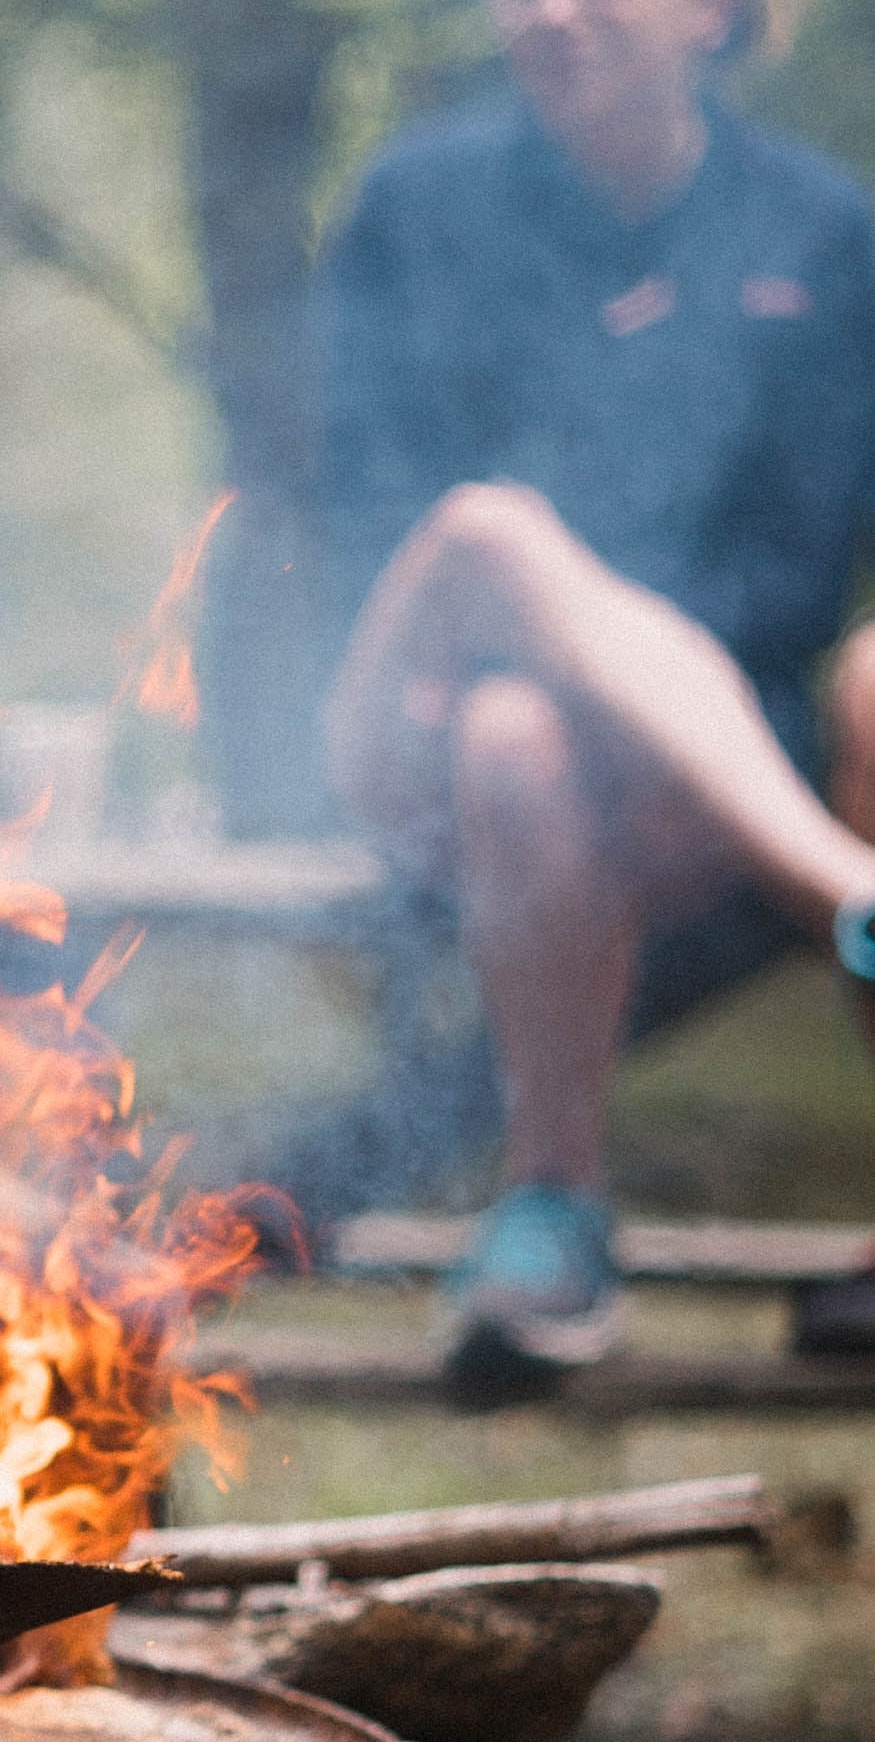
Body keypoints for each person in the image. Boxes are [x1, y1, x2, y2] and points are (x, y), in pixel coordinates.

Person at [313, 0, 875, 1386]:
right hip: (413, 706)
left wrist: (623, 692)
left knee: (851, 678)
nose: (546, 13)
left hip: (659, 761)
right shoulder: (413, 202)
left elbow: (802, 573)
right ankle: (848, 896)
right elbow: (357, 511)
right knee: (494, 538)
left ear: (717, 16)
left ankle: (548, 1220)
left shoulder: (818, 231)